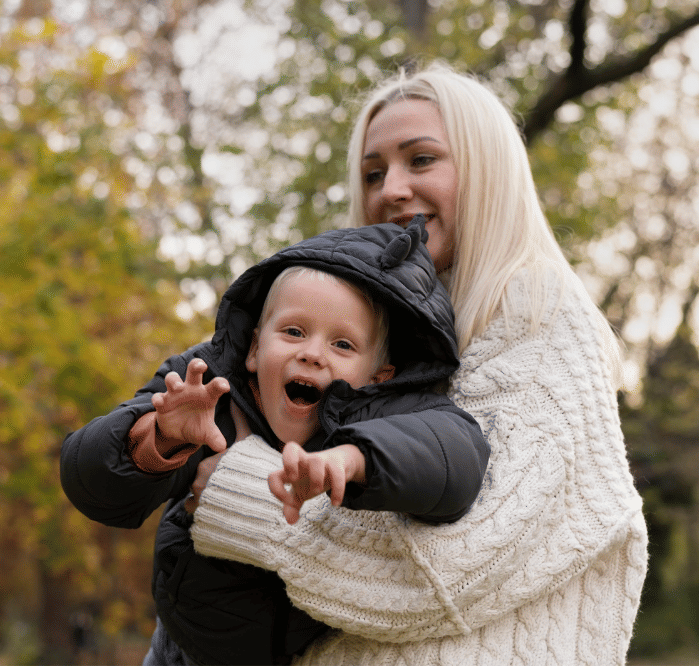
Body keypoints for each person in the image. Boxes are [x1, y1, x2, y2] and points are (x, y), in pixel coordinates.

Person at [188, 62, 649, 665]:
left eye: (422, 159)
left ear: (487, 171)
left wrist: (242, 487)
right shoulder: (382, 335)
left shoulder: (539, 316)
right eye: (373, 173)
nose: (391, 190)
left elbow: (442, 576)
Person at [60, 217, 490, 665]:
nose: (312, 353)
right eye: (294, 332)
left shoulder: (379, 411)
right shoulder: (209, 391)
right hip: (186, 650)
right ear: (253, 348)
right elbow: (90, 479)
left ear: (377, 378)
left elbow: (456, 455)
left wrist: (355, 458)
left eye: (342, 345)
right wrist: (161, 437)